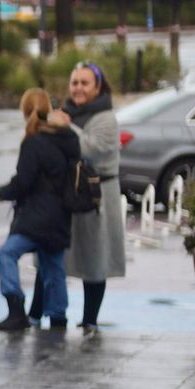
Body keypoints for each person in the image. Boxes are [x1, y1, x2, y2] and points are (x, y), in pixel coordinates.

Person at [0, 88, 80, 333]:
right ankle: (58, 319)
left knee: (6, 255)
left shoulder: (33, 142)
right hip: (61, 215)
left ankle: (16, 309)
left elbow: (24, 182)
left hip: (36, 216)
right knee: (53, 269)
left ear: (25, 111)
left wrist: (2, 192)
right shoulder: (66, 138)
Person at [47, 63, 126, 335]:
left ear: (98, 87)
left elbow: (92, 149)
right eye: (74, 82)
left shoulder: (106, 118)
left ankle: (90, 319)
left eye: (85, 83)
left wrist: (67, 127)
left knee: (95, 256)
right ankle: (47, 314)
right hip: (67, 194)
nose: (78, 88)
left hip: (97, 197)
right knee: (52, 254)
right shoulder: (63, 114)